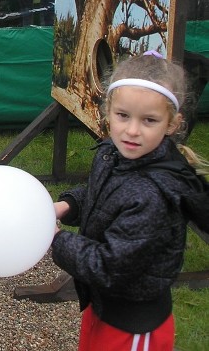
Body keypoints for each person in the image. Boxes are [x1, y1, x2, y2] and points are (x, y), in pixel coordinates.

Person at [51, 52, 209, 351]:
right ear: (107, 111)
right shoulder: (111, 153)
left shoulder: (154, 196)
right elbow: (101, 196)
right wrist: (67, 205)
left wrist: (55, 240)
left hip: (133, 325)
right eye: (123, 116)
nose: (133, 131)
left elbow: (109, 267)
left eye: (149, 120)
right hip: (104, 308)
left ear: (172, 124)